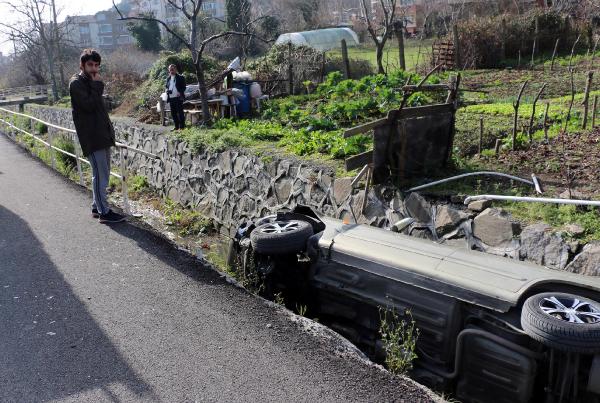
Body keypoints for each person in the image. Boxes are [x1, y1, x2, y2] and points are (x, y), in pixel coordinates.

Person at [69, 48, 126, 224]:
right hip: (92, 138)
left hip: (101, 135)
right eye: (90, 65)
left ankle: (97, 206)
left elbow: (100, 110)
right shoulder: (76, 83)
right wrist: (98, 86)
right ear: (82, 65)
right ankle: (104, 212)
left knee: (103, 173)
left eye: (96, 65)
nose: (94, 68)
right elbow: (88, 106)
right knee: (100, 175)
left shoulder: (91, 82)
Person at [165, 64, 186, 130]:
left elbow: (184, 87)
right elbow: (166, 87)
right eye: (170, 70)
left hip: (178, 98)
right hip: (171, 98)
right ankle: (176, 126)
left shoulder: (181, 77)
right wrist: (166, 90)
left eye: (172, 69)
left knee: (180, 112)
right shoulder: (168, 78)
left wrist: (180, 92)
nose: (171, 71)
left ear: (176, 69)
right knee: (173, 113)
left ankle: (182, 127)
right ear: (169, 70)